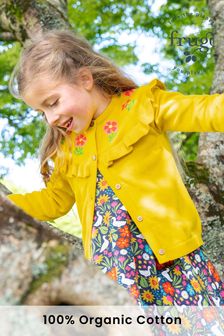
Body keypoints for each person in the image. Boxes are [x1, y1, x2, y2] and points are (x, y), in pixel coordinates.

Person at [7, 29, 224, 307]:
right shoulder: (68, 149)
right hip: (113, 275)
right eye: (42, 112)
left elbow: (205, 111)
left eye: (53, 103)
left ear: (85, 79)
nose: (50, 119)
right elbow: (54, 201)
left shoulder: (144, 105)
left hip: (173, 264)